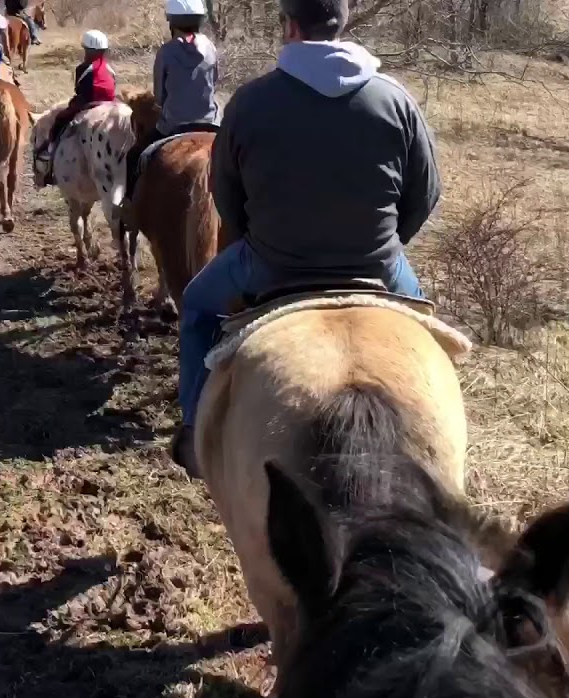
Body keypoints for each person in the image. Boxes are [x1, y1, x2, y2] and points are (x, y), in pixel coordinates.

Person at [170, 0, 442, 477]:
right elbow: (425, 193)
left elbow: (227, 199)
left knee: (195, 306)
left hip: (270, 263)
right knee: (433, 341)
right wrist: (383, 244)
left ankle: (195, 432)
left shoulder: (250, 101)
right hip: (377, 264)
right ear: (342, 22)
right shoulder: (396, 98)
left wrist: (260, 240)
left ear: (290, 25)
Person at [126, 0, 221, 200]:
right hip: (212, 123)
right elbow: (214, 81)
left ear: (172, 22)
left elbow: (160, 97)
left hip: (174, 125)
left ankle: (129, 207)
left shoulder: (166, 51)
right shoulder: (210, 47)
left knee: (133, 157)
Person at [37, 30, 117, 184]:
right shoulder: (110, 69)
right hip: (110, 104)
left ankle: (51, 153)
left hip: (88, 103)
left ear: (87, 50)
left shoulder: (83, 68)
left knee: (60, 120)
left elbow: (79, 90)